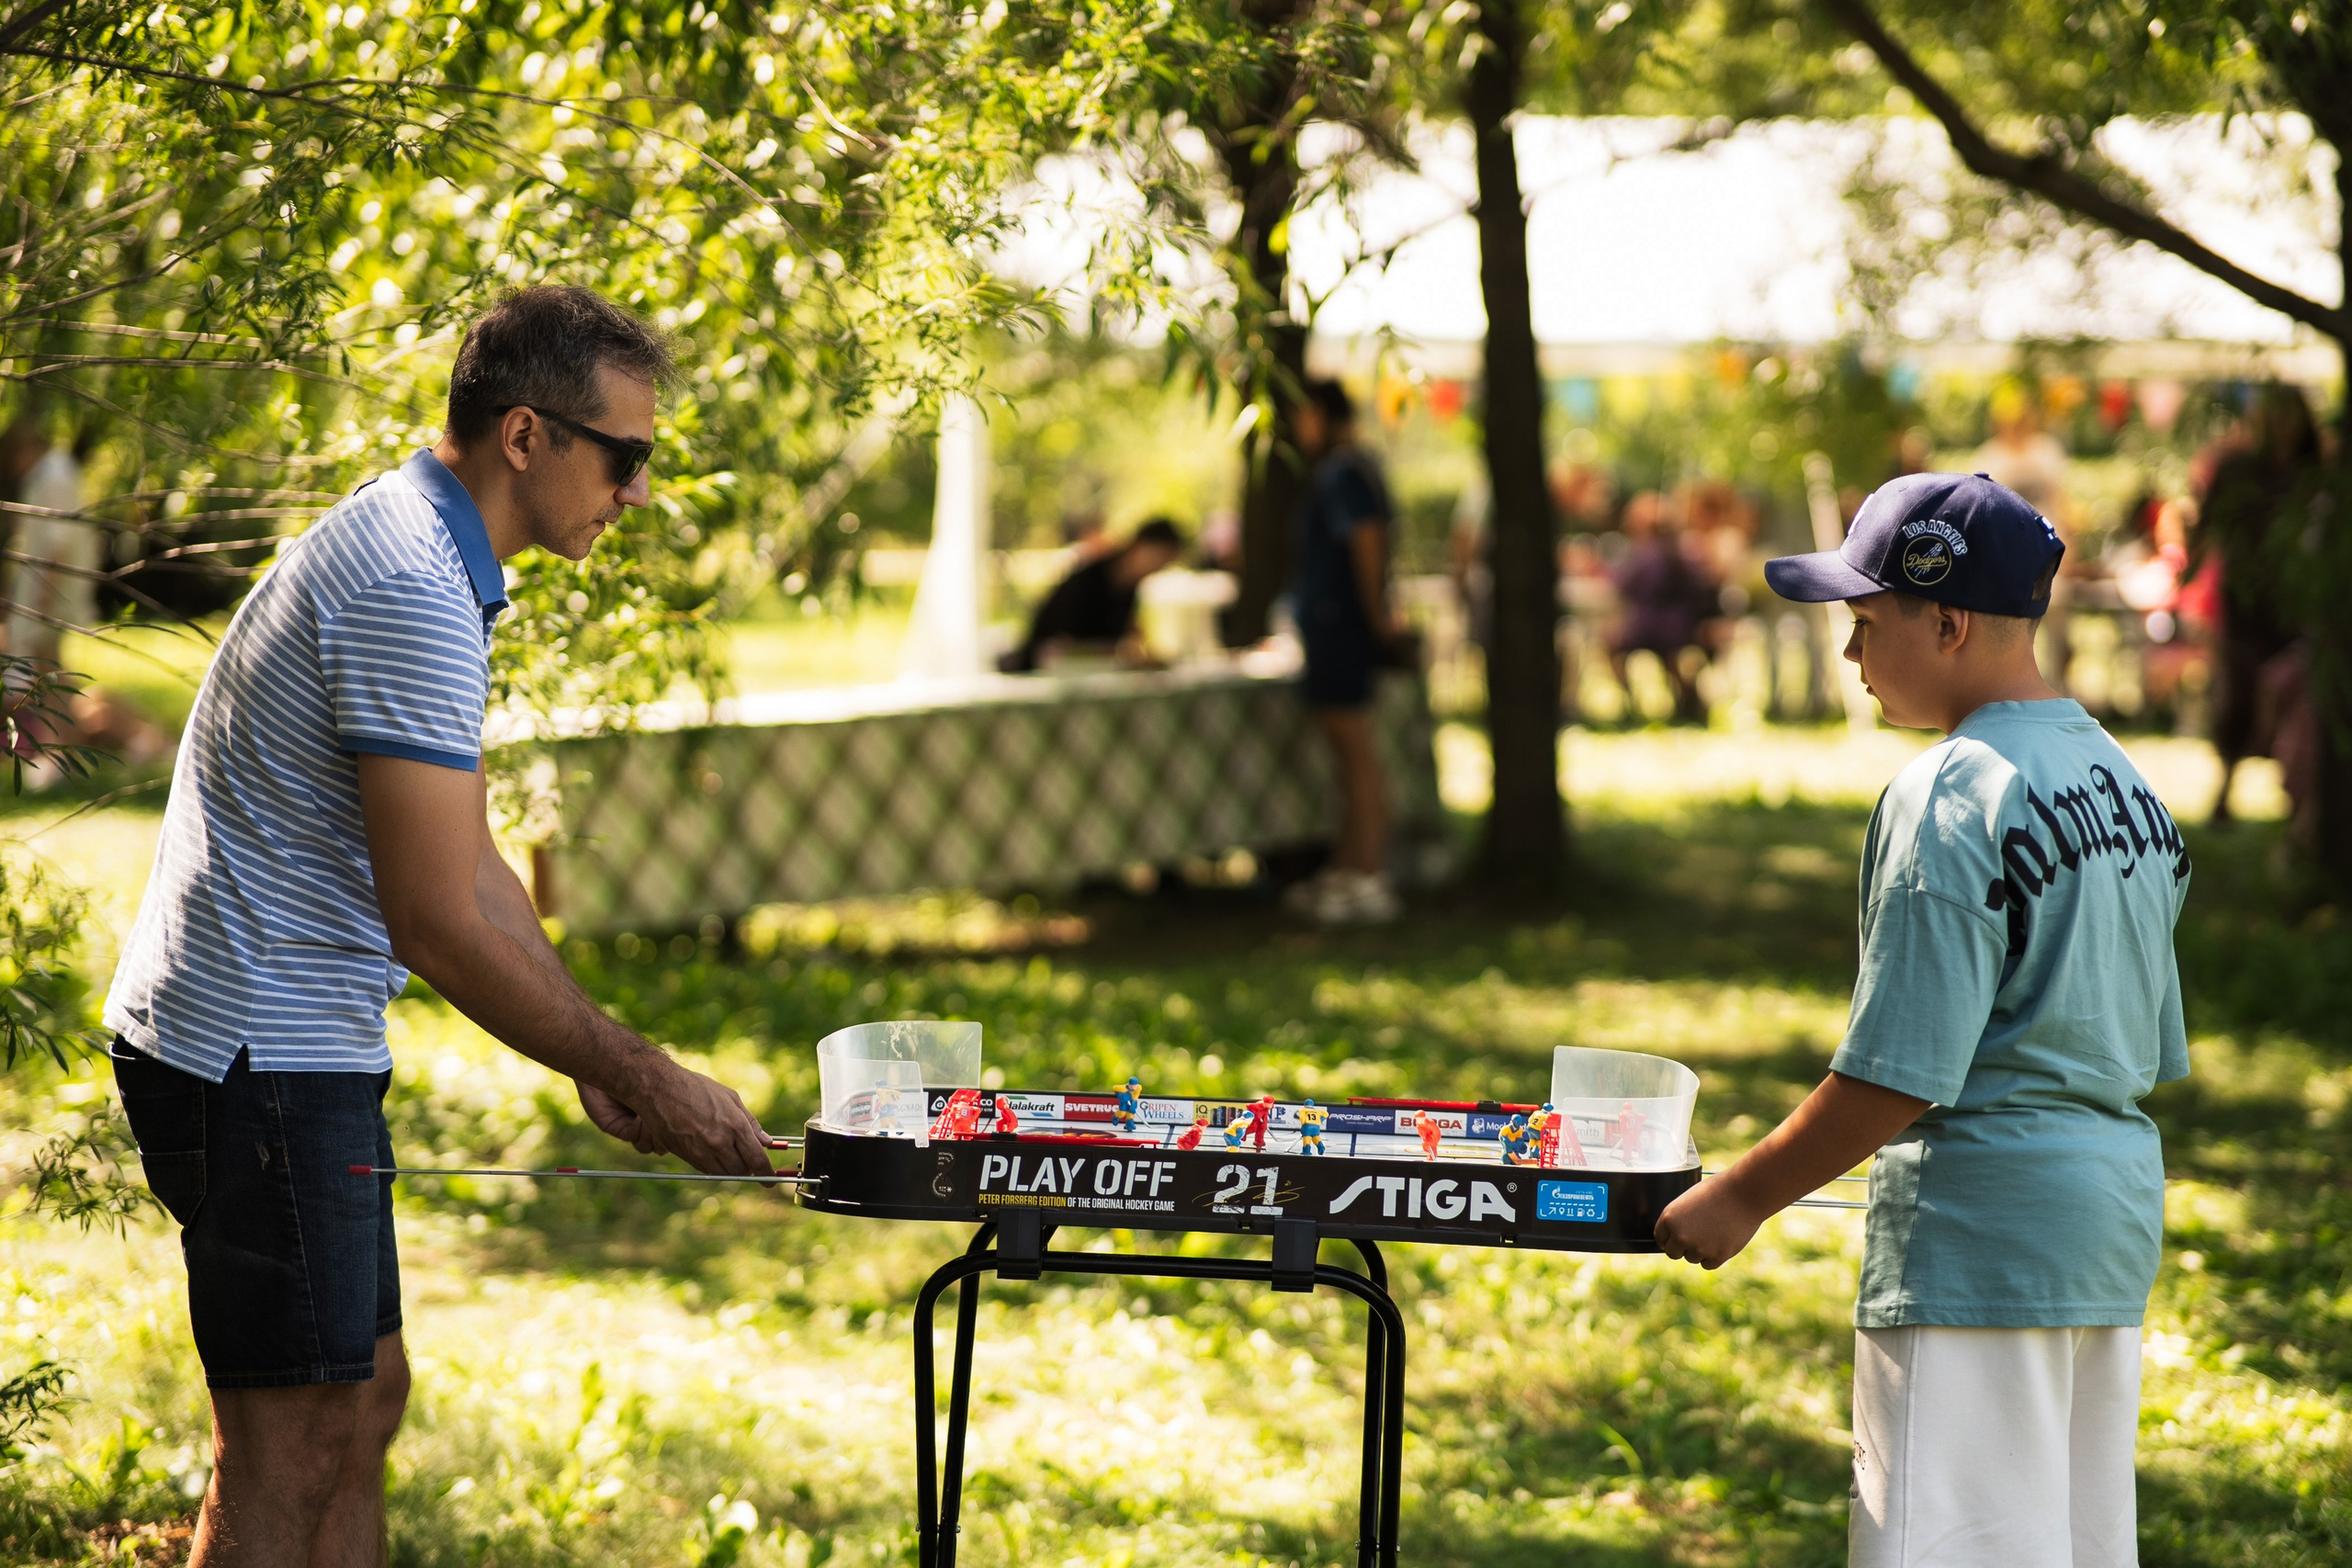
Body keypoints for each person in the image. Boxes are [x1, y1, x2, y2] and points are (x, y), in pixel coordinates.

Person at [103, 287, 775, 1568]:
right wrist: (646, 1073)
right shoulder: (411, 581)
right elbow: (435, 924)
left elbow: (469, 864)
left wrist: (592, 1055)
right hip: (257, 1052)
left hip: (286, 1044)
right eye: (623, 457)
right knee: (292, 1443)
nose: (636, 491)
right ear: (526, 436)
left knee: (361, 1404)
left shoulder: (426, 547)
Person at [1655, 471, 2189, 1568]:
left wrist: (1741, 1196)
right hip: (2106, 1229)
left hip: (1976, 1247)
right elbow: (2139, 1041)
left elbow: (1898, 1069)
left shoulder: (1949, 791)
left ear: (1947, 623)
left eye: (1865, 622)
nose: (1851, 654)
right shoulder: (2125, 782)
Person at [1283, 378, 1402, 926]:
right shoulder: (1342, 471)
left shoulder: (1345, 471)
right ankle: (1348, 866)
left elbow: (1366, 539)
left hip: (1341, 629)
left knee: (1356, 753)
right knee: (1345, 756)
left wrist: (1374, 614)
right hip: (1329, 628)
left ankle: (1368, 873)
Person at [2190, 384, 2321, 825]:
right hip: (2245, 608)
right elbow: (2207, 528)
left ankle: (2297, 802)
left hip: (2296, 607)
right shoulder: (2238, 469)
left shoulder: (2314, 472)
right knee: (2238, 699)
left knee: (2296, 701)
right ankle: (2226, 791)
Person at [999, 517, 1184, 672]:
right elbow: (1064, 643)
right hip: (1049, 672)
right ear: (1139, 545)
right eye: (1159, 557)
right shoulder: (1089, 579)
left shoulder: (1129, 589)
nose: (1158, 568)